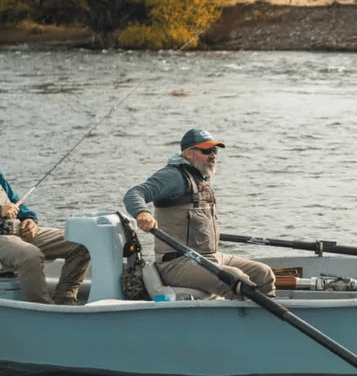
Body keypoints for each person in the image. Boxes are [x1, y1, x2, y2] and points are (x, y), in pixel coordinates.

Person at [123, 129, 276, 299]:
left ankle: (266, 321)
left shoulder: (201, 178)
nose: (213, 156)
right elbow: (134, 193)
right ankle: (242, 321)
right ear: (189, 154)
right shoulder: (173, 176)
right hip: (177, 263)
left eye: (214, 151)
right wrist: (142, 213)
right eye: (206, 151)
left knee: (264, 273)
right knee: (236, 280)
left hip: (210, 257)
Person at [0, 171, 91, 304]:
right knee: (30, 255)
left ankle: (64, 301)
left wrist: (29, 219)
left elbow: (15, 201)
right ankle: (41, 308)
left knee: (81, 241)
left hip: (17, 229)